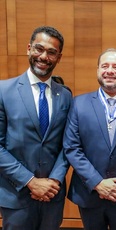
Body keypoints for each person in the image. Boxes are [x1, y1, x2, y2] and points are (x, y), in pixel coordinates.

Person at [63, 48, 116, 230]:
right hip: (90, 193)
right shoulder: (78, 104)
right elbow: (72, 147)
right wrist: (97, 183)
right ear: (97, 70)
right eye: (105, 66)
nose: (110, 71)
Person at [0, 26, 72, 229]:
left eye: (51, 52)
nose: (44, 56)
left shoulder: (65, 95)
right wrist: (31, 181)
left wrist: (55, 181)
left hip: (52, 195)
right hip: (16, 194)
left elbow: (68, 145)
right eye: (39, 49)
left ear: (59, 57)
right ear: (29, 49)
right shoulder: (3, 91)